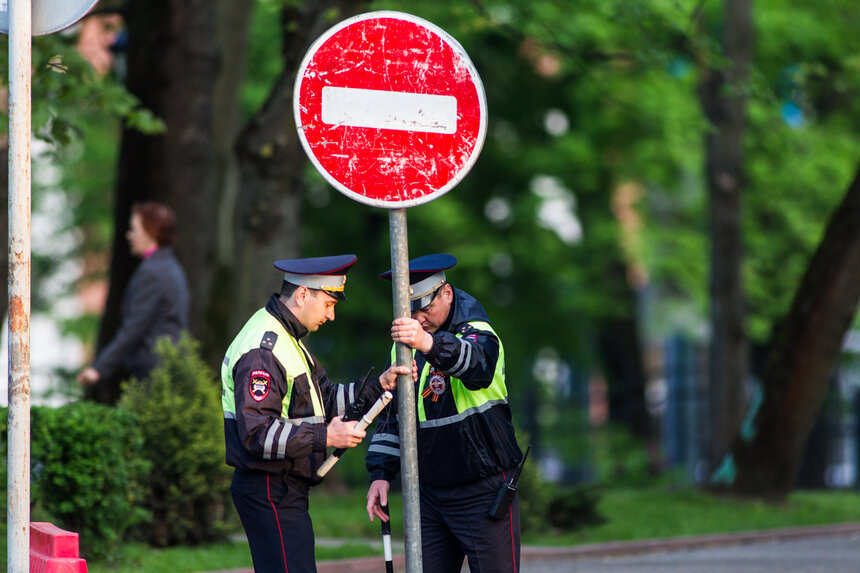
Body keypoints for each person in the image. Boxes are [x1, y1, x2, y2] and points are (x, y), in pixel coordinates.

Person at [222, 254, 411, 573]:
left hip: (280, 488)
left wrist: (378, 385)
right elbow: (257, 435)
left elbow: (325, 399)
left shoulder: (287, 338)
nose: (332, 315)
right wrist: (328, 436)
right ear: (302, 295)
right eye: (328, 304)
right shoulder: (263, 351)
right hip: (269, 487)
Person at [365, 253, 524, 573]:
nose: (418, 318)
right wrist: (381, 473)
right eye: (410, 311)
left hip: (484, 489)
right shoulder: (405, 343)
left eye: (425, 308)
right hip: (429, 495)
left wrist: (427, 343)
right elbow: (392, 413)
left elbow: (477, 366)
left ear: (447, 293)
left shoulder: (478, 332)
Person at [77, 201, 189, 400]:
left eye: (134, 229)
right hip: (168, 368)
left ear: (150, 232)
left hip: (153, 373)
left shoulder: (153, 272)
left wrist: (99, 368)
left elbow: (135, 327)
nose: (129, 235)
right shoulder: (171, 267)